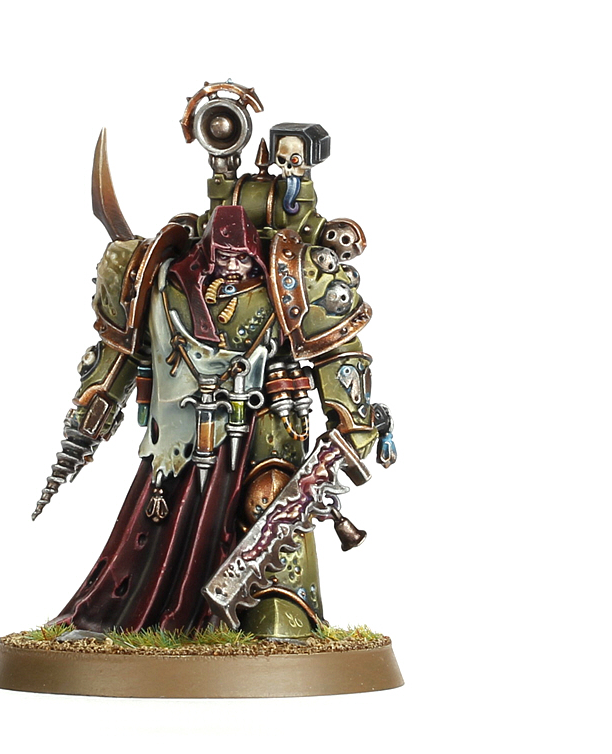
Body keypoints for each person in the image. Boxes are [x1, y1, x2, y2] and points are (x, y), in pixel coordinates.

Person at [32, 201, 395, 639]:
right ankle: (133, 616)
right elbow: (124, 352)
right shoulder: (169, 282)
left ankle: (279, 613)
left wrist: (353, 421)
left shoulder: (295, 276)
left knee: (268, 501)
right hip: (181, 430)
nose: (233, 266)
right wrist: (93, 411)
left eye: (241, 258)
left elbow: (340, 356)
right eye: (224, 257)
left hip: (265, 428)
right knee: (158, 524)